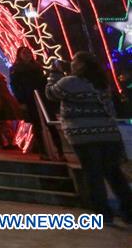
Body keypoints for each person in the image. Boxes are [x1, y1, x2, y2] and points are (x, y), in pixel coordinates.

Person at [46, 53, 132, 225]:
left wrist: (54, 73)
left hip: (84, 135)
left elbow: (50, 93)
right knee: (114, 173)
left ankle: (103, 214)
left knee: (93, 175)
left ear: (81, 65)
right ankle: (129, 210)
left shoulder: (69, 82)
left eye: (74, 62)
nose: (71, 64)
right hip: (108, 133)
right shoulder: (102, 83)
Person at [10, 46, 63, 159]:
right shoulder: (16, 69)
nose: (27, 55)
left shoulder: (37, 66)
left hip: (42, 97)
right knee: (37, 126)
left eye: (29, 52)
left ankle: (60, 151)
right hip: (30, 99)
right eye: (24, 53)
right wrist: (21, 100)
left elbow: (42, 82)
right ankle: (43, 152)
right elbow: (15, 86)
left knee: (50, 123)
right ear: (19, 55)